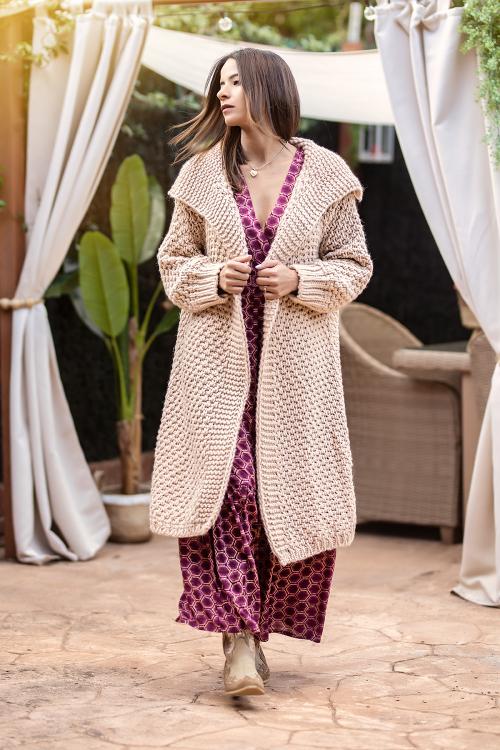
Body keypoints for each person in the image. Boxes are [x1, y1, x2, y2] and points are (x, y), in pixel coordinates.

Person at [150, 48, 373, 697]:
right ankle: (239, 643)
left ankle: (257, 631)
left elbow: (356, 265)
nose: (222, 93)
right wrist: (213, 276)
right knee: (231, 494)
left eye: (235, 82)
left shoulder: (326, 174)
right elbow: (173, 264)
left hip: (295, 378)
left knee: (282, 501)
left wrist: (301, 278)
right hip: (215, 373)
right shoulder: (201, 173)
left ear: (268, 87)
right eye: (218, 84)